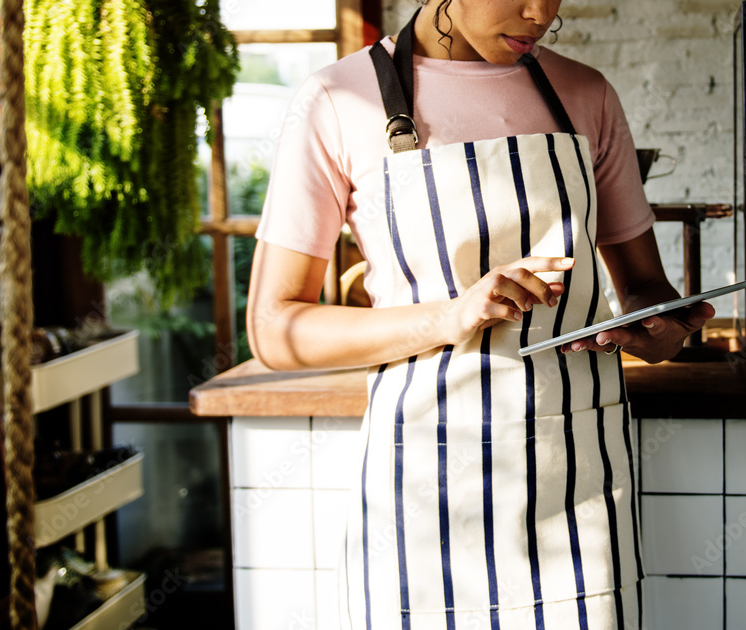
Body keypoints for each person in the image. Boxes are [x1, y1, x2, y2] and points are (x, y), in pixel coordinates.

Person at [246, 0, 715, 628]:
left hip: (575, 487)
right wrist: (452, 316)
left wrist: (660, 327)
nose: (538, 14)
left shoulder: (586, 94)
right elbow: (275, 328)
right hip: (423, 496)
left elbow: (646, 295)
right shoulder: (337, 99)